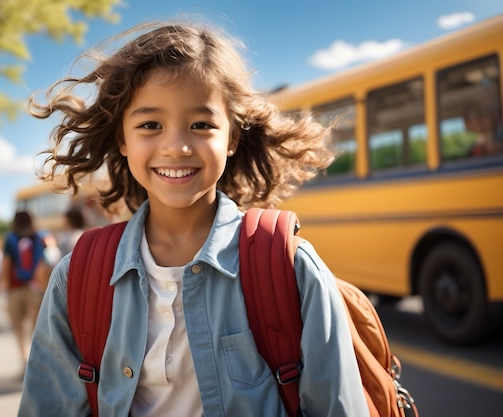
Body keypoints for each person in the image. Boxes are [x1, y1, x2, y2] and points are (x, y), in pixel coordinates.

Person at [19, 20, 369, 417]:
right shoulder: (78, 277)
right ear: (122, 138)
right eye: (150, 125)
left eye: (201, 125)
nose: (177, 146)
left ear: (233, 137)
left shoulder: (290, 268)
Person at [1, 211, 45, 375]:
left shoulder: (11, 239)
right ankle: (38, 361)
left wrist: (5, 286)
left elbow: (6, 265)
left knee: (19, 328)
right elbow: (43, 263)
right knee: (36, 328)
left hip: (15, 289)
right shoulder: (39, 237)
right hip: (35, 288)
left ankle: (25, 361)